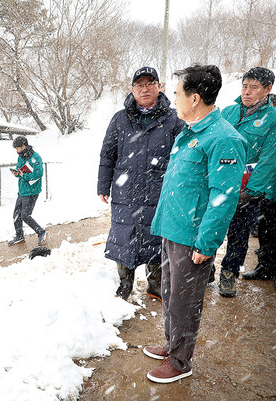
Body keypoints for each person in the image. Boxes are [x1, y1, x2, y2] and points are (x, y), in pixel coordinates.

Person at [144, 64, 247, 383]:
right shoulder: (189, 131)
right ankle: (172, 343)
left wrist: (207, 242)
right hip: (172, 229)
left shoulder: (224, 139)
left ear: (195, 98)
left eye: (177, 93)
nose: (172, 98)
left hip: (193, 237)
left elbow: (224, 196)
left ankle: (180, 360)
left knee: (185, 301)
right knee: (169, 292)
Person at [97, 66, 184, 301]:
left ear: (159, 87)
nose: (145, 89)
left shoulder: (174, 119)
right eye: (139, 85)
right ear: (132, 89)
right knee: (123, 237)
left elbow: (184, 157)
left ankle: (155, 285)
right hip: (126, 192)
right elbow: (108, 154)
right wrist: (103, 186)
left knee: (157, 237)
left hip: (160, 191)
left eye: (150, 84)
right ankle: (125, 284)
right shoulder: (120, 118)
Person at [217, 67, 276, 296]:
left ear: (268, 90)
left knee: (239, 234)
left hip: (246, 191)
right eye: (244, 86)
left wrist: (251, 191)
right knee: (211, 228)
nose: (247, 92)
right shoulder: (228, 112)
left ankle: (229, 273)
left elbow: (269, 159)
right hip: (221, 184)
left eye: (254, 87)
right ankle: (205, 268)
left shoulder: (272, 119)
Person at [8, 136, 47, 246]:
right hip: (22, 190)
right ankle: (19, 236)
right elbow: (20, 171)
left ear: (23, 146)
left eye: (18, 148)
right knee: (16, 214)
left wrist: (23, 175)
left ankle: (41, 232)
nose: (17, 151)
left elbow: (39, 174)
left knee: (25, 215)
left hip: (32, 191)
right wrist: (17, 173)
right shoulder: (20, 157)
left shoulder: (36, 158)